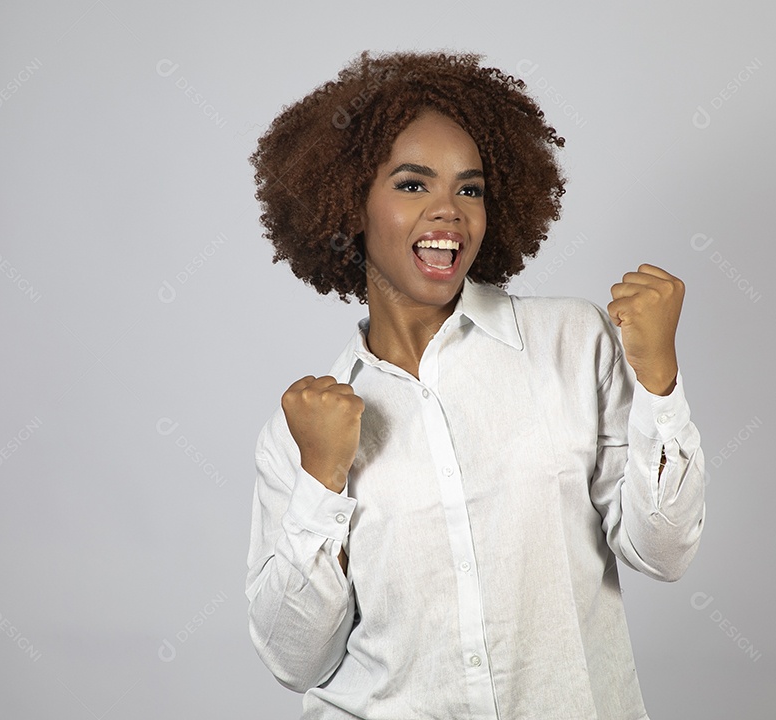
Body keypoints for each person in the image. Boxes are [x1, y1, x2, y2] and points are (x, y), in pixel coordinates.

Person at [245, 49, 706, 720]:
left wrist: (659, 380)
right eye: (412, 185)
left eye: (470, 188)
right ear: (351, 205)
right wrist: (321, 483)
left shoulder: (572, 344)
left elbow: (663, 553)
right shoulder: (302, 430)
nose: (449, 212)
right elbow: (296, 662)